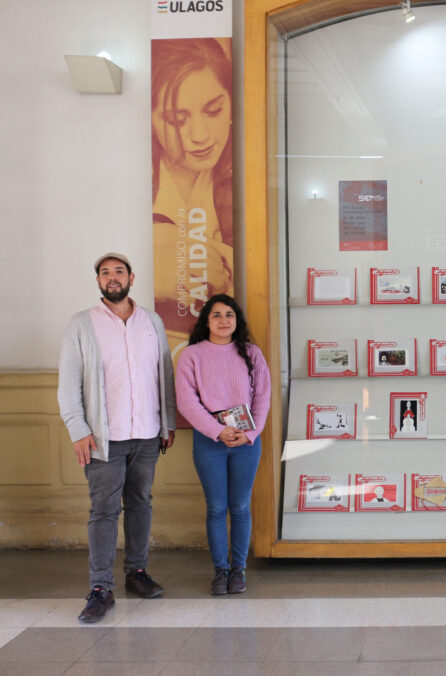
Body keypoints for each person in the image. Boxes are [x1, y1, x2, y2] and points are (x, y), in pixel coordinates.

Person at [57, 253, 177, 622]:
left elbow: (164, 374)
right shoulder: (82, 324)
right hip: (102, 438)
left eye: (119, 271)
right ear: (98, 281)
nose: (113, 277)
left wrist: (167, 423)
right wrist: (79, 430)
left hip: (147, 434)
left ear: (131, 278)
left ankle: (136, 572)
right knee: (104, 511)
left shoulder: (152, 321)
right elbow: (68, 384)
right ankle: (100, 588)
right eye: (105, 272)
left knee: (140, 504)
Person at [175, 294, 271, 596]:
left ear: (236, 320)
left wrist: (251, 434)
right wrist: (217, 431)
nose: (223, 320)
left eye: (229, 314)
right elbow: (187, 402)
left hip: (246, 440)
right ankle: (220, 570)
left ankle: (238, 569)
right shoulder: (192, 355)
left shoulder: (252, 353)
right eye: (216, 315)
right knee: (217, 507)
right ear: (206, 321)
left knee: (240, 506)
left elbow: (263, 396)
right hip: (209, 441)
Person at [151, 38, 235, 339]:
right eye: (176, 120)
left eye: (213, 110)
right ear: (150, 121)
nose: (199, 135)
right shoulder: (134, 177)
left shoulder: (246, 174)